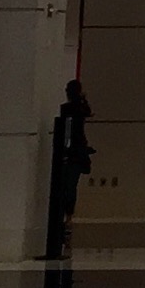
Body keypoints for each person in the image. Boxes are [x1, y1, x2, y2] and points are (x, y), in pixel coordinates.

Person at [57, 80, 93, 241]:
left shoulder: (67, 109)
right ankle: (68, 217)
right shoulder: (81, 108)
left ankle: (64, 216)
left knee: (65, 186)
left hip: (69, 153)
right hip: (77, 154)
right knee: (71, 187)